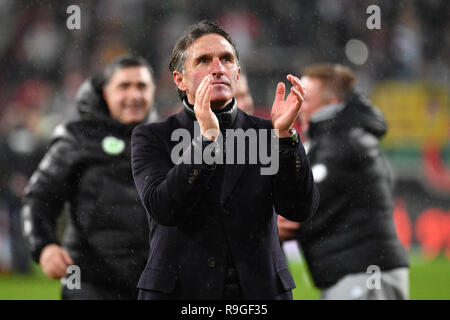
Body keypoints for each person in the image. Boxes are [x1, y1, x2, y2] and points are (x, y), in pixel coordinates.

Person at [131, 20, 319, 300]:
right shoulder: (152, 137)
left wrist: (285, 137)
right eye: (204, 60)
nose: (218, 68)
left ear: (237, 73)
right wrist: (206, 140)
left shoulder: (269, 133)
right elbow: (164, 208)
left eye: (226, 59)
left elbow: (299, 208)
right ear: (179, 79)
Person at [20, 55, 155, 299]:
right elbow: (38, 197)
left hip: (150, 286)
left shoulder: (165, 141)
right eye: (124, 86)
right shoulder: (77, 138)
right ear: (105, 92)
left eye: (142, 86)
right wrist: (44, 246)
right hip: (87, 284)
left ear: (152, 92)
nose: (134, 95)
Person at [278, 63, 409, 300]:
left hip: (364, 274)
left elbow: (304, 207)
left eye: (305, 99)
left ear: (331, 104)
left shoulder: (342, 144)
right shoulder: (343, 137)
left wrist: (268, 225)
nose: (297, 107)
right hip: (358, 272)